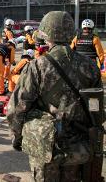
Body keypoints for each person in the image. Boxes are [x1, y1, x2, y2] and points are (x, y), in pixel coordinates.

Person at [7, 11, 103, 181]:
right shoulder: (90, 67)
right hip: (79, 150)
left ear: (46, 34)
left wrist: (17, 137)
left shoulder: (37, 66)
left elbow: (18, 108)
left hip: (45, 148)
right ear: (71, 33)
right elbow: (98, 111)